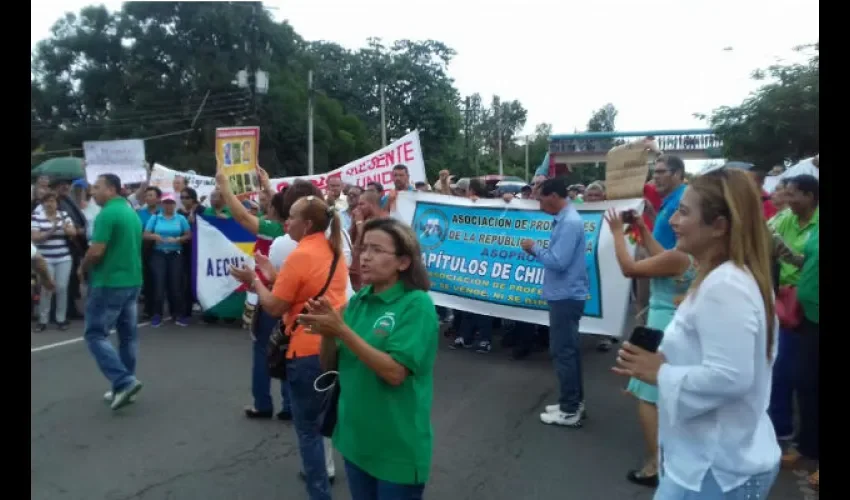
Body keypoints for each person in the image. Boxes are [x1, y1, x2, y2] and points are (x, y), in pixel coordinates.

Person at [614, 166, 781, 498]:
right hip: (710, 459)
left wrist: (661, 372)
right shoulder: (725, 277)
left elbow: (731, 377)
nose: (674, 221)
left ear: (719, 226)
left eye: (684, 212)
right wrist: (666, 360)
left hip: (716, 468)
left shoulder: (726, 286)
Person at [302, 217, 438, 500]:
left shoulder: (416, 305)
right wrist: (327, 332)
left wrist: (341, 330)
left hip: (395, 448)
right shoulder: (359, 300)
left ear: (403, 262)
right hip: (355, 440)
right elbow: (330, 365)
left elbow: (395, 373)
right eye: (364, 248)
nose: (365, 257)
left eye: (377, 250)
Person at [231, 195, 349, 500]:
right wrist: (271, 274)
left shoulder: (301, 254)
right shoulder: (332, 250)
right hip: (335, 347)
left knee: (308, 431)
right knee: (327, 423)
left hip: (307, 351)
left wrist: (255, 282)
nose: (286, 221)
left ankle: (319, 494)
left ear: (307, 224)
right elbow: (300, 291)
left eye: (292, 216)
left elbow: (273, 306)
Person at [605, 207, 696, 488]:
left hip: (661, 328)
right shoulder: (687, 256)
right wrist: (642, 230)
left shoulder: (679, 256)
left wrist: (618, 234)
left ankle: (656, 463)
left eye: (683, 215)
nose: (673, 222)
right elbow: (661, 257)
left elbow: (629, 269)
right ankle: (670, 456)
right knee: (665, 395)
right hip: (674, 324)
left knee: (648, 397)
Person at [520, 177, 589, 428]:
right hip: (565, 294)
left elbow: (558, 261)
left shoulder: (569, 222)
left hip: (566, 296)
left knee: (563, 352)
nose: (539, 204)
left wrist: (534, 249)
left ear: (553, 196)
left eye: (540, 199)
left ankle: (570, 409)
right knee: (568, 351)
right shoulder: (566, 219)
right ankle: (573, 402)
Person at [79, 174, 144, 411]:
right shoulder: (130, 212)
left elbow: (96, 251)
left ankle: (124, 381)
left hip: (109, 282)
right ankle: (125, 385)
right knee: (128, 336)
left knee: (95, 334)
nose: (92, 192)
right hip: (133, 280)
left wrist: (82, 267)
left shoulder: (107, 214)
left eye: (97, 187)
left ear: (111, 189)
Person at [31, 191, 78, 331]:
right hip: (44, 258)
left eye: (53, 201)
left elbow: (73, 232)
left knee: (62, 287)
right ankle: (43, 319)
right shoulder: (36, 217)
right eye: (47, 201)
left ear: (57, 203)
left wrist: (66, 228)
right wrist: (52, 229)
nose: (50, 204)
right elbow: (35, 238)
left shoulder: (63, 216)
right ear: (42, 203)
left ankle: (61, 318)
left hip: (63, 257)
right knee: (46, 287)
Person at [143, 193, 191, 327]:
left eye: (170, 203)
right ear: (162, 204)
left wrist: (178, 239)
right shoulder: (155, 218)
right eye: (166, 203)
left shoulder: (180, 218)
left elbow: (188, 235)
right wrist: (155, 236)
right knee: (159, 284)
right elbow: (145, 235)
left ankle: (178, 313)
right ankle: (157, 314)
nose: (168, 205)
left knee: (175, 285)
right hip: (159, 253)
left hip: (175, 253)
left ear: (174, 204)